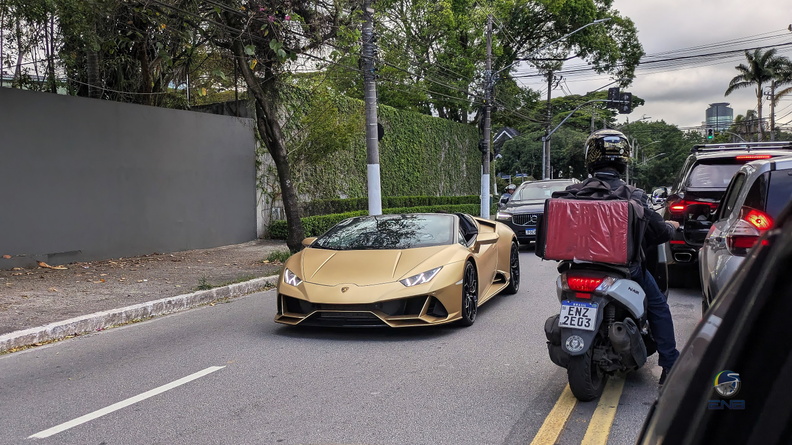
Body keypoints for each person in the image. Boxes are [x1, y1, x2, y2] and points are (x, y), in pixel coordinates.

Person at [575, 129, 681, 385]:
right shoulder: (633, 195)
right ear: (623, 161)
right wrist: (671, 227)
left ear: (590, 159)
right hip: (624, 269)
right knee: (658, 306)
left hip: (578, 267)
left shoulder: (572, 193)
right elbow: (657, 230)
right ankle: (670, 364)